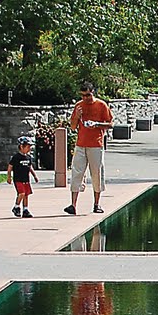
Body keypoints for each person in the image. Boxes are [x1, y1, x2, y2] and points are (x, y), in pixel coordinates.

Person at [66, 82, 113, 215]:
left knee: (96, 173)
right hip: (81, 144)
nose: (85, 98)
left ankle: (97, 204)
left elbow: (110, 124)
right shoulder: (79, 106)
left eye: (88, 95)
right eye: (83, 95)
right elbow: (73, 127)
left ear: (93, 93)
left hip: (96, 145)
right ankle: (73, 205)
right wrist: (76, 116)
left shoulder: (101, 105)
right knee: (77, 172)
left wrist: (96, 124)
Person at [8, 135, 38, 218]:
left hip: (26, 179)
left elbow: (30, 167)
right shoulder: (16, 157)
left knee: (26, 195)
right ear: (21, 146)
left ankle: (25, 209)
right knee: (21, 193)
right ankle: (16, 207)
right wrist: (9, 177)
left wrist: (34, 175)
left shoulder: (28, 157)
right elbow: (10, 167)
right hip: (18, 179)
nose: (29, 149)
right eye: (28, 147)